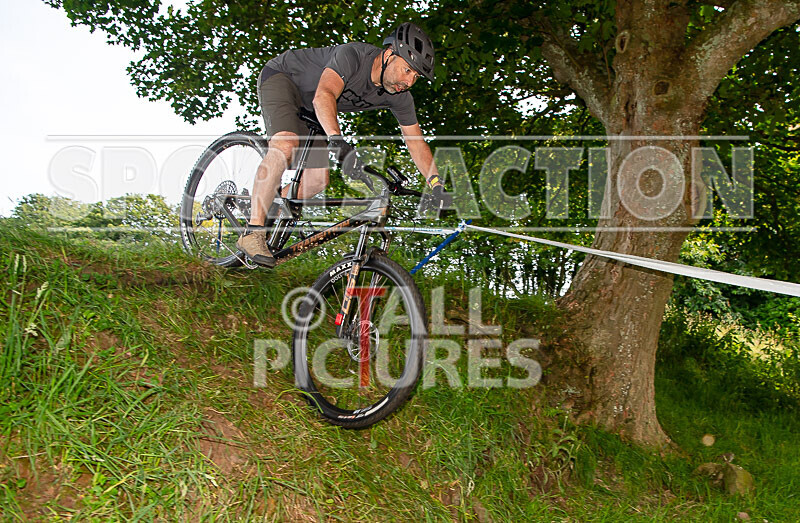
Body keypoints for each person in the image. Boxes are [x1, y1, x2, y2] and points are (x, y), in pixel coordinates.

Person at [236, 22, 448, 267]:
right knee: (285, 144)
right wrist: (337, 140)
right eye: (407, 70)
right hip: (285, 79)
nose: (409, 81)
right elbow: (324, 94)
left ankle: (266, 205)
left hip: (313, 110)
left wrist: (436, 184)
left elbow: (416, 142)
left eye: (415, 76)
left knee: (317, 180)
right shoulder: (354, 56)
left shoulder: (399, 96)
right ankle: (253, 232)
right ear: (389, 54)